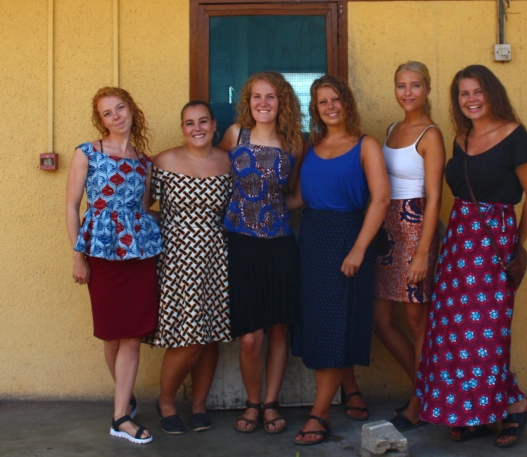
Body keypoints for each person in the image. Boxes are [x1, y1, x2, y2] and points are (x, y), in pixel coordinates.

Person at [416, 65, 527, 448]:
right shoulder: (461, 139)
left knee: (487, 335)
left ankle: (515, 404)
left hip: (493, 246)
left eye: (477, 91)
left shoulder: (516, 137)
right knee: (455, 333)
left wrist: (514, 245)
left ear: (491, 93)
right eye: (463, 93)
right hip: (459, 246)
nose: (470, 99)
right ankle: (473, 412)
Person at [289, 75, 390, 445]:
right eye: (322, 102)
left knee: (335, 320)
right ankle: (350, 387)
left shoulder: (366, 145)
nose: (330, 107)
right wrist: (256, 208)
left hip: (348, 235)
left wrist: (359, 249)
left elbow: (381, 199)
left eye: (335, 99)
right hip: (313, 238)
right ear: (315, 109)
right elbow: (299, 197)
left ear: (346, 102)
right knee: (322, 319)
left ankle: (319, 415)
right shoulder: (311, 145)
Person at [66, 87, 162, 444]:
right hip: (101, 252)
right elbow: (72, 205)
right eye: (107, 113)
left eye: (120, 108)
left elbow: (144, 208)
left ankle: (120, 416)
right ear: (101, 120)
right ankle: (126, 398)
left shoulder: (144, 162)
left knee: (132, 334)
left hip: (138, 254)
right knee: (111, 333)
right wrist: (78, 255)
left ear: (131, 109)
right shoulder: (87, 152)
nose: (116, 116)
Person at [218, 71, 303, 434]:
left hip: (280, 245)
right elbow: (217, 181)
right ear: (247, 101)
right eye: (256, 96)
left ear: (282, 101)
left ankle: (270, 404)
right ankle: (252, 403)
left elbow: (295, 194)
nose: (263, 103)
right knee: (251, 337)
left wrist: (274, 210)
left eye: (271, 96)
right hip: (241, 245)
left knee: (279, 330)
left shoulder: (293, 143)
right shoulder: (235, 135)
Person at [150, 101, 232, 434]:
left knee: (209, 336)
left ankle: (199, 405)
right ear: (182, 128)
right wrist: (174, 227)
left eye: (203, 121)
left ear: (214, 125)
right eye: (189, 123)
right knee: (188, 339)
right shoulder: (163, 161)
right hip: (177, 260)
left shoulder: (228, 162)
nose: (197, 128)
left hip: (216, 258)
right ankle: (166, 401)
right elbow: (140, 209)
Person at [372, 61, 445, 431]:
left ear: (427, 90)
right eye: (401, 85)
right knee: (380, 320)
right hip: (388, 229)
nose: (407, 92)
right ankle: (427, 391)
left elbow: (434, 198)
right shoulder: (391, 129)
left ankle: (419, 404)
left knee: (417, 322)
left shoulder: (431, 135)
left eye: (415, 85)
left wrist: (422, 253)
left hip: (416, 228)